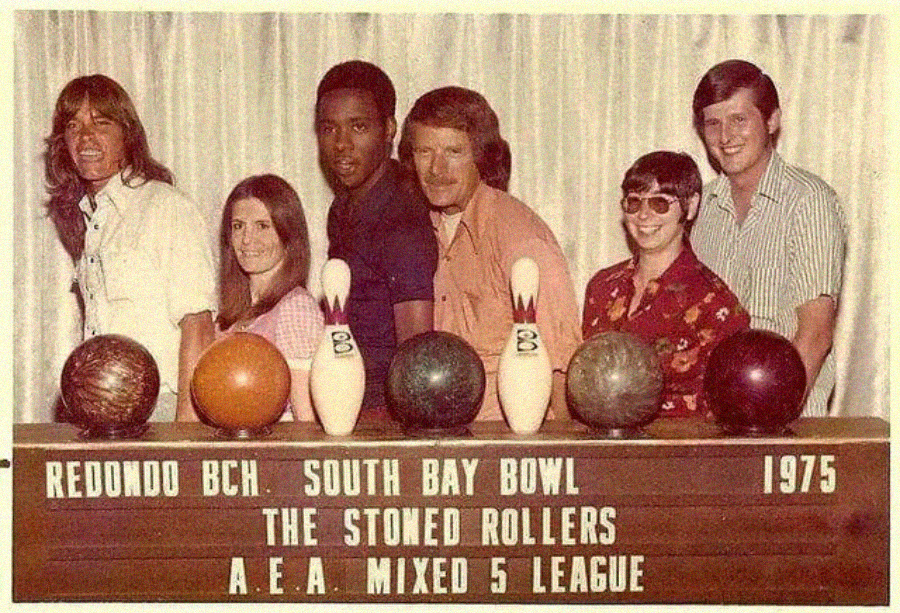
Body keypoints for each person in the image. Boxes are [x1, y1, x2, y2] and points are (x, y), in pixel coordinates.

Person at [398, 85, 581, 422]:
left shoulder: (520, 237)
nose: (436, 169)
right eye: (424, 151)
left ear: (480, 156)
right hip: (438, 434)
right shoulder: (417, 229)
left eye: (453, 151)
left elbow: (562, 368)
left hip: (505, 439)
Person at [44, 74, 215, 422]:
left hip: (162, 411)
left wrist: (186, 431)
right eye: (74, 126)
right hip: (105, 416)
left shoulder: (166, 206)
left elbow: (197, 324)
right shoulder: (91, 219)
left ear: (128, 135)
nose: (85, 137)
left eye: (101, 123)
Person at [690, 60, 846, 416]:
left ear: (772, 121)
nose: (725, 137)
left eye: (739, 119)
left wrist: (770, 418)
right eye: (713, 124)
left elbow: (816, 334)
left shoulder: (809, 200)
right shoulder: (702, 207)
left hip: (784, 423)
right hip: (715, 423)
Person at [582, 151, 750, 416]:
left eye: (659, 203)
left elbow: (730, 408)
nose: (643, 215)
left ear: (690, 206)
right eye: (634, 202)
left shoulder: (716, 304)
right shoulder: (601, 288)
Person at [315, 60, 438, 417]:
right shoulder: (343, 207)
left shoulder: (402, 216)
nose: (341, 144)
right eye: (329, 128)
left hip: (386, 414)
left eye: (358, 127)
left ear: (389, 129)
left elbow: (416, 358)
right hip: (346, 398)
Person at [217, 174, 324, 421]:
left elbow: (305, 420)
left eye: (262, 226)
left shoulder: (295, 308)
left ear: (288, 235)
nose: (247, 239)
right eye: (238, 226)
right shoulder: (233, 313)